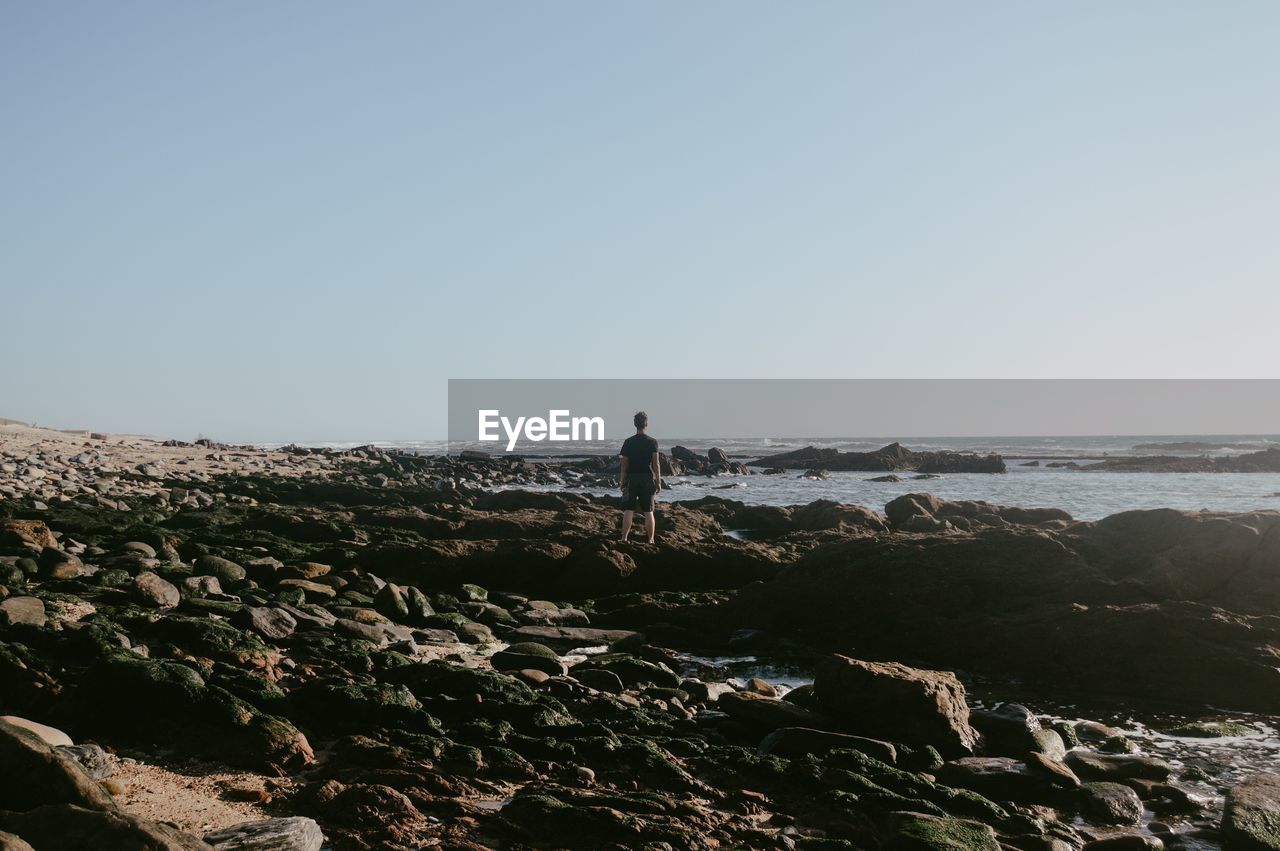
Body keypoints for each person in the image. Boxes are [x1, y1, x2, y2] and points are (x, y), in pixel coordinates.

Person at [618, 411, 661, 543]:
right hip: (647, 478)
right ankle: (651, 539)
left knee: (628, 510)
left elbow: (624, 464)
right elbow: (656, 464)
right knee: (649, 511)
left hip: (631, 478)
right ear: (646, 424)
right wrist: (658, 481)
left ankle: (624, 538)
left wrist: (622, 481)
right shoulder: (652, 442)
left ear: (635, 424)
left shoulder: (628, 442)